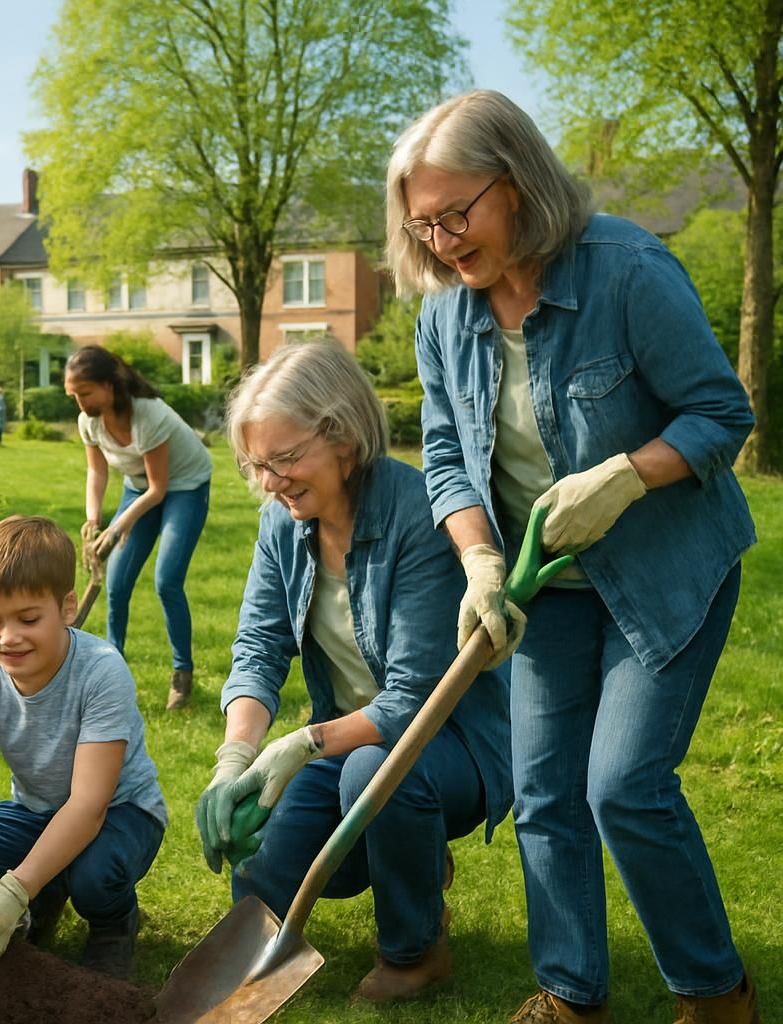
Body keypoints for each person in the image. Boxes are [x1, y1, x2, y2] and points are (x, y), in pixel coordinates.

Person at [388, 90, 758, 1023]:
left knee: (624, 787)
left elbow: (723, 413)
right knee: (547, 792)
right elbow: (444, 460)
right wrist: (477, 560)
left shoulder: (627, 270)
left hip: (664, 569)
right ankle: (570, 993)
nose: (440, 240)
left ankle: (716, 994)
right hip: (542, 584)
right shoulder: (443, 321)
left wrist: (628, 475)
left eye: (455, 213)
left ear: (515, 184)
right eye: (422, 223)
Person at [197, 340, 511, 1003]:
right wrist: (236, 757)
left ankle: (414, 951)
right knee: (266, 853)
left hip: (446, 743)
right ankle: (407, 857)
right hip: (344, 741)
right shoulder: (281, 524)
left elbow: (412, 702)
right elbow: (257, 649)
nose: (270, 482)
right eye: (257, 464)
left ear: (343, 436)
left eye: (286, 459)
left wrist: (302, 744)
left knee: (377, 777)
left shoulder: (418, 516)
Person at [0, 516, 167, 980]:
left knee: (94, 876)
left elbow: (89, 805)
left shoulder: (101, 672)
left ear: (67, 607)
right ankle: (42, 898)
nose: (8, 637)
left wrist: (12, 888)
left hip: (122, 812)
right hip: (33, 810)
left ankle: (113, 921)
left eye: (28, 619)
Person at [63, 345, 213, 709]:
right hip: (138, 488)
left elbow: (159, 488)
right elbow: (97, 471)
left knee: (167, 580)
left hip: (185, 487)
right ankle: (114, 673)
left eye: (85, 393)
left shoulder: (148, 415)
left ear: (109, 386)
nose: (80, 404)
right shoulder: (90, 422)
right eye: (73, 396)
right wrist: (94, 519)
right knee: (116, 584)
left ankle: (182, 674)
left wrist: (118, 529)